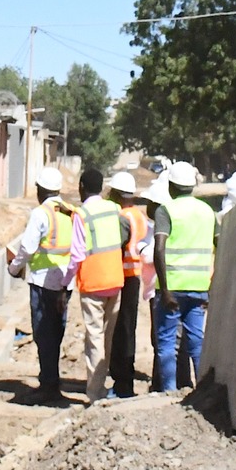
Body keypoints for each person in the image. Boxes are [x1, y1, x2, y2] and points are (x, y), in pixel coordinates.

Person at [7, 164, 82, 403]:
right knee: (56, 333)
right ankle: (51, 380)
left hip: (42, 282)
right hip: (64, 283)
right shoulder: (71, 211)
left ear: (40, 189)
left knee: (43, 333)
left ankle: (48, 385)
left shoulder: (41, 213)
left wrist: (14, 267)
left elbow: (27, 247)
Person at [152, 161, 219, 392]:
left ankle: (169, 393)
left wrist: (166, 290)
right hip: (199, 287)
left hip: (172, 288)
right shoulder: (208, 212)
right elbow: (221, 245)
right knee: (196, 342)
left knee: (167, 343)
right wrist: (213, 284)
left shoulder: (166, 210)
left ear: (171, 186)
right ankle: (202, 392)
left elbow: (159, 248)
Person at [70, 166, 128, 402]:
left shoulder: (81, 214)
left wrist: (65, 285)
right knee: (107, 337)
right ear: (102, 187)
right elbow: (125, 234)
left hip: (92, 284)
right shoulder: (114, 209)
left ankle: (95, 393)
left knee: (94, 338)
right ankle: (103, 387)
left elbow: (76, 254)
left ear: (81, 187)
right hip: (115, 281)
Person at [110, 172, 150, 399]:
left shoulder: (123, 217)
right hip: (135, 275)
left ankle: (123, 383)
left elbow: (117, 245)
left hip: (125, 276)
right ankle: (124, 380)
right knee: (128, 328)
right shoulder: (139, 215)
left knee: (122, 331)